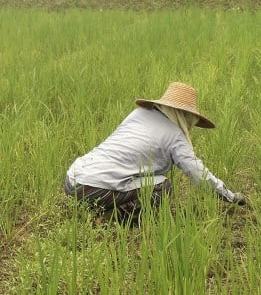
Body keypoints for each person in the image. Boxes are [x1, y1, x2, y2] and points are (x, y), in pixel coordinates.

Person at [64, 82, 246, 223]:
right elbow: (199, 174)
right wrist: (230, 196)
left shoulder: (138, 114)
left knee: (134, 176)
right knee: (162, 186)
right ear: (185, 115)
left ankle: (92, 208)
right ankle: (112, 217)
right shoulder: (176, 138)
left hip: (73, 181)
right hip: (95, 188)